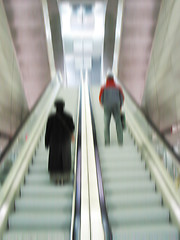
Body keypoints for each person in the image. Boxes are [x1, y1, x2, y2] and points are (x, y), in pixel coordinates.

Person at [45, 99, 75, 184]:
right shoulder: (68, 116)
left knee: (55, 160)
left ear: (55, 107)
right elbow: (72, 127)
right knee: (65, 159)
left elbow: (48, 131)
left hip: (54, 141)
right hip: (65, 140)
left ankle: (56, 179)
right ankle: (65, 178)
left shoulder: (51, 118)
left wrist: (47, 142)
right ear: (63, 106)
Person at [99, 71, 124, 146]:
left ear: (107, 79)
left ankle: (107, 142)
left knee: (106, 124)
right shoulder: (118, 87)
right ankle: (120, 141)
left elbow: (100, 98)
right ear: (113, 78)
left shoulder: (103, 87)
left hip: (107, 106)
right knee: (118, 123)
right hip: (116, 105)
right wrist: (120, 106)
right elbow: (122, 97)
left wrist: (103, 104)